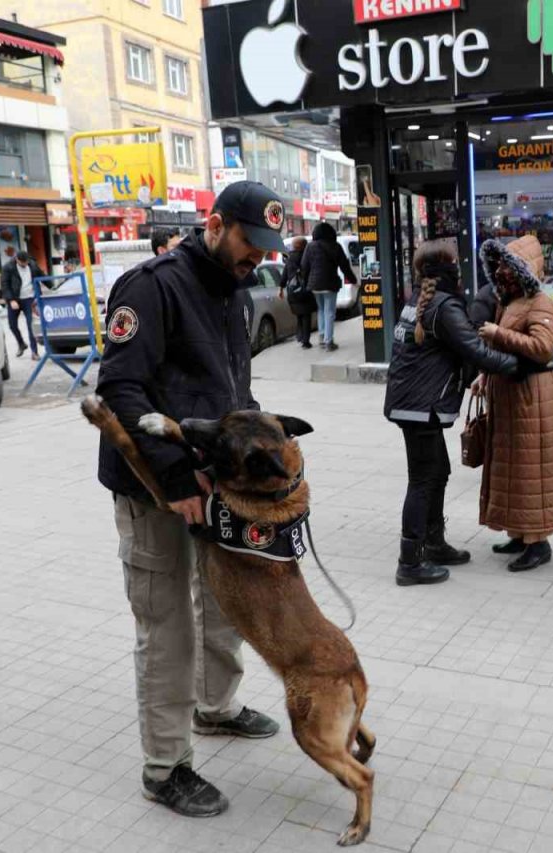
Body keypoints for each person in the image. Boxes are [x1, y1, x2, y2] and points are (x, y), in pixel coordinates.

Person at [95, 182, 288, 819]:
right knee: (168, 625)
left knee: (224, 604)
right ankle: (165, 766)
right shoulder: (151, 287)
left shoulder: (235, 292)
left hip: (217, 484)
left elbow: (233, 391)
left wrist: (261, 448)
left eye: (266, 248)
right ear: (214, 224)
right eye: (249, 242)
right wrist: (177, 481)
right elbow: (121, 391)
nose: (257, 257)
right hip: (155, 488)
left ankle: (215, 706)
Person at [384, 240, 519, 586]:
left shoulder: (420, 299)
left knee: (438, 471)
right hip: (421, 406)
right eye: (455, 263)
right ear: (447, 269)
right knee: (422, 479)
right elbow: (474, 349)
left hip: (412, 403)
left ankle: (434, 543)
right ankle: (409, 562)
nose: (460, 269)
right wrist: (518, 364)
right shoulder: (443, 306)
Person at [475, 236, 553, 572]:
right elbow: (503, 350)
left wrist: (498, 335)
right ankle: (519, 532)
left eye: (507, 264)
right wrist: (484, 376)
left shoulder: (541, 303)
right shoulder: (511, 301)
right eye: (498, 264)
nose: (500, 271)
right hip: (511, 397)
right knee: (512, 469)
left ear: (522, 269)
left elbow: (542, 348)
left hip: (531, 398)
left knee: (530, 471)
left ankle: (538, 542)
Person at [301, 222, 356, 351]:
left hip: (314, 285)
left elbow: (304, 266)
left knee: (321, 310)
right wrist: (353, 280)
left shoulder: (310, 247)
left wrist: (306, 281)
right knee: (329, 312)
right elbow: (344, 266)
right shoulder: (335, 246)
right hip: (330, 283)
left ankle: (322, 337)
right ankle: (328, 342)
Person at [0, 250, 45, 359]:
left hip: (30, 299)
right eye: (22, 262)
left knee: (31, 325)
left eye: (26, 261)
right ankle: (21, 344)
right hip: (15, 299)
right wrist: (11, 300)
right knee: (12, 325)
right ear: (17, 259)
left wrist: (54, 288)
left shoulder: (32, 265)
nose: (25, 264)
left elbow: (43, 277)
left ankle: (34, 352)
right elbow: (5, 285)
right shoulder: (8, 267)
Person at [282, 236, 316, 349]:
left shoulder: (289, 258)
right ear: (304, 246)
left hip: (293, 291)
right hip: (305, 290)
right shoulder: (306, 257)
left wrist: (281, 288)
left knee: (299, 315)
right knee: (306, 316)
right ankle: (305, 341)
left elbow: (285, 275)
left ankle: (300, 336)